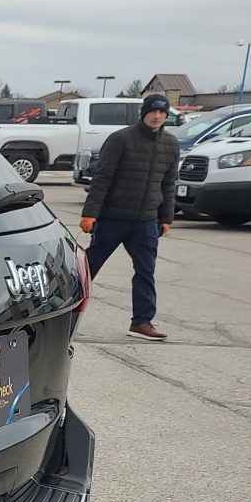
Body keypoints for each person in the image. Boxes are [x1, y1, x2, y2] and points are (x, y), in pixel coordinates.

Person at [79, 93, 179, 341]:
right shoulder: (120, 140)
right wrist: (90, 213)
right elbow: (102, 178)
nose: (157, 117)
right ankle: (63, 313)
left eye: (162, 112)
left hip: (146, 221)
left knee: (146, 270)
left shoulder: (170, 144)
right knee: (88, 268)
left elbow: (168, 183)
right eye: (152, 112)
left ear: (166, 115)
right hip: (114, 217)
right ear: (143, 113)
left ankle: (142, 322)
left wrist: (166, 217)